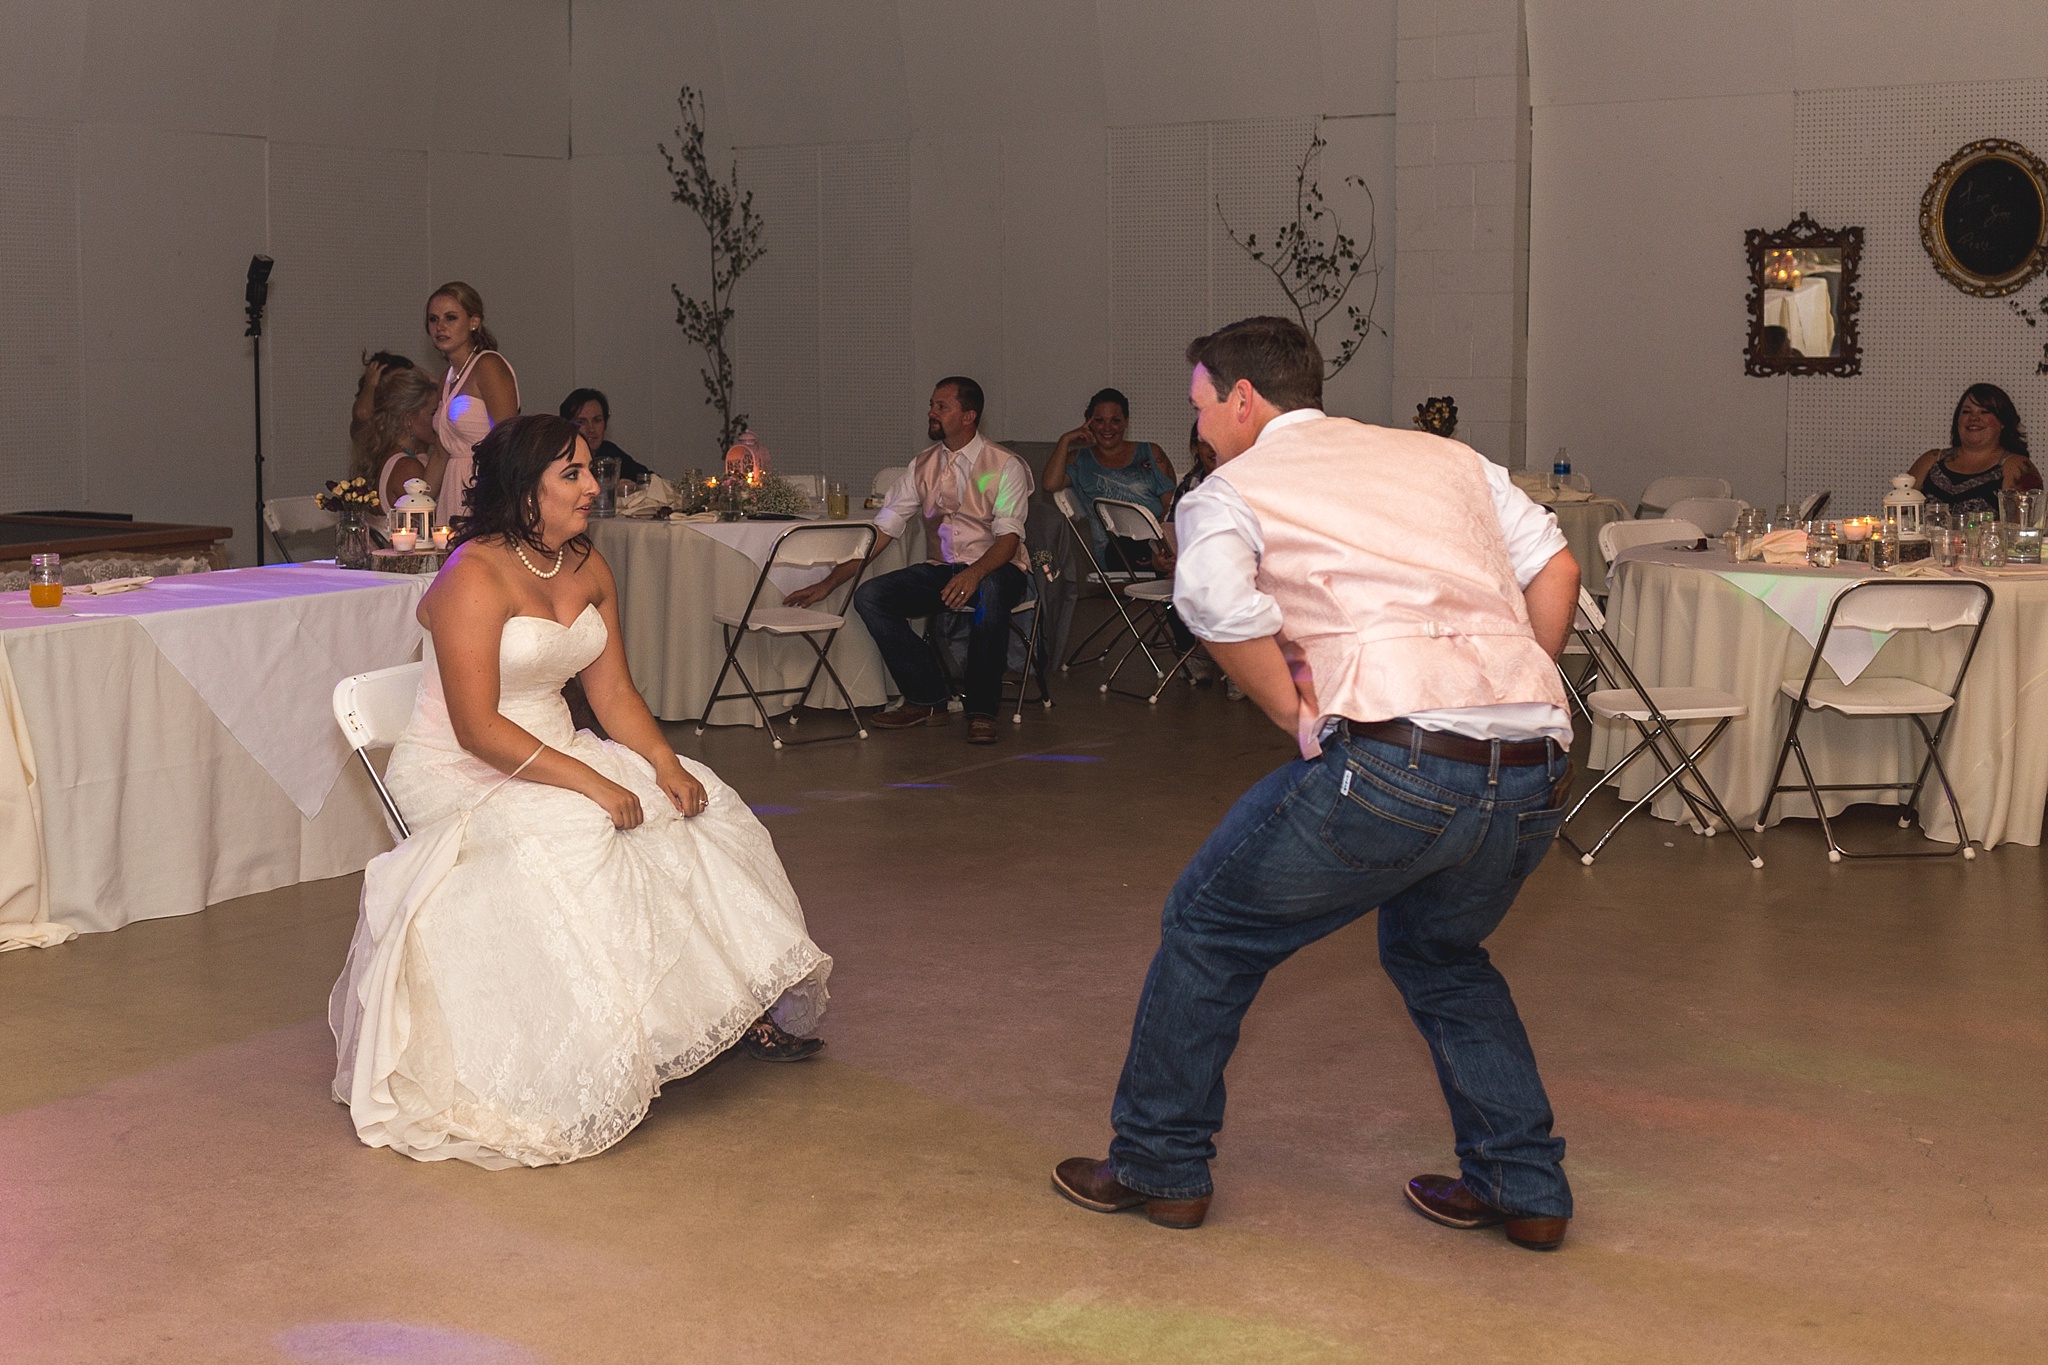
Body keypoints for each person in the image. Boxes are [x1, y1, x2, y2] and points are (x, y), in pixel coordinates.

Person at [1052, 316, 1582, 1251]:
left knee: (1208, 928)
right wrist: (1506, 690)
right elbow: (1558, 564)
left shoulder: (1232, 486)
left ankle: (1159, 1164)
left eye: (1203, 406)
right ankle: (1524, 1183)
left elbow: (1213, 604)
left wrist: (1297, 719)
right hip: (1534, 763)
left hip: (1397, 758)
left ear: (1245, 397)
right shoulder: (1445, 458)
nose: (1201, 428)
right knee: (1440, 953)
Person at [329, 415, 830, 1169]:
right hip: (461, 768)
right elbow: (476, 728)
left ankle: (723, 1016)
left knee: (690, 807)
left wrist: (664, 762)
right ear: (525, 489)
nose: (594, 485)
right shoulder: (472, 573)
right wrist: (591, 780)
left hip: (553, 748)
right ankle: (604, 1042)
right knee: (582, 832)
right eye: (574, 473)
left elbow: (616, 692)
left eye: (589, 469)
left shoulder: (588, 565)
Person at [782, 377, 1030, 746]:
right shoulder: (922, 465)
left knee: (989, 597)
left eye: (942, 407)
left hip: (998, 570)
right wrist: (828, 582)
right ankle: (928, 698)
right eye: (932, 404)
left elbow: (1009, 538)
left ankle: (981, 711)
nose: (931, 412)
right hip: (944, 569)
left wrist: (976, 574)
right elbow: (880, 533)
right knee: (872, 596)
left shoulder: (1006, 465)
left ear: (969, 416)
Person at [1043, 387, 1179, 573]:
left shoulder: (1151, 452)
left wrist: (1161, 546)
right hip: (1115, 549)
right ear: (1088, 423)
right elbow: (1050, 484)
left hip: (1159, 541)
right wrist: (1065, 440)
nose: (1107, 428)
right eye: (1099, 421)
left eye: (1115, 421)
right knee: (1126, 544)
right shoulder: (1079, 459)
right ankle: (1158, 566)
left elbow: (1170, 506)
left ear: (1126, 422)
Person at [426, 282, 520, 516]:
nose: (441, 327)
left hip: (483, 488)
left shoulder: (488, 365)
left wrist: (491, 500)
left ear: (473, 322)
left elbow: (508, 439)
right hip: (453, 487)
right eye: (433, 319)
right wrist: (416, 504)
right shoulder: (445, 379)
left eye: (450, 318)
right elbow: (440, 453)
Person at [1909, 383, 2043, 517]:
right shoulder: (1931, 459)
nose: (1973, 418)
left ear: (2003, 422)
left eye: (1984, 412)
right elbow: (1898, 514)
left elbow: (2021, 528)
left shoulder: (2016, 465)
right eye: (1967, 411)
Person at [348, 366, 443, 537]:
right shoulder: (407, 468)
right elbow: (428, 530)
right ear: (408, 419)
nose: (438, 420)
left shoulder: (390, 455)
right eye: (433, 413)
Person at [560, 387, 656, 486]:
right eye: (581, 422)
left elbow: (650, 479)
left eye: (597, 420)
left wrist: (635, 487)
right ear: (566, 426)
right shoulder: (559, 458)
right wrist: (611, 490)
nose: (591, 429)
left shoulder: (609, 452)